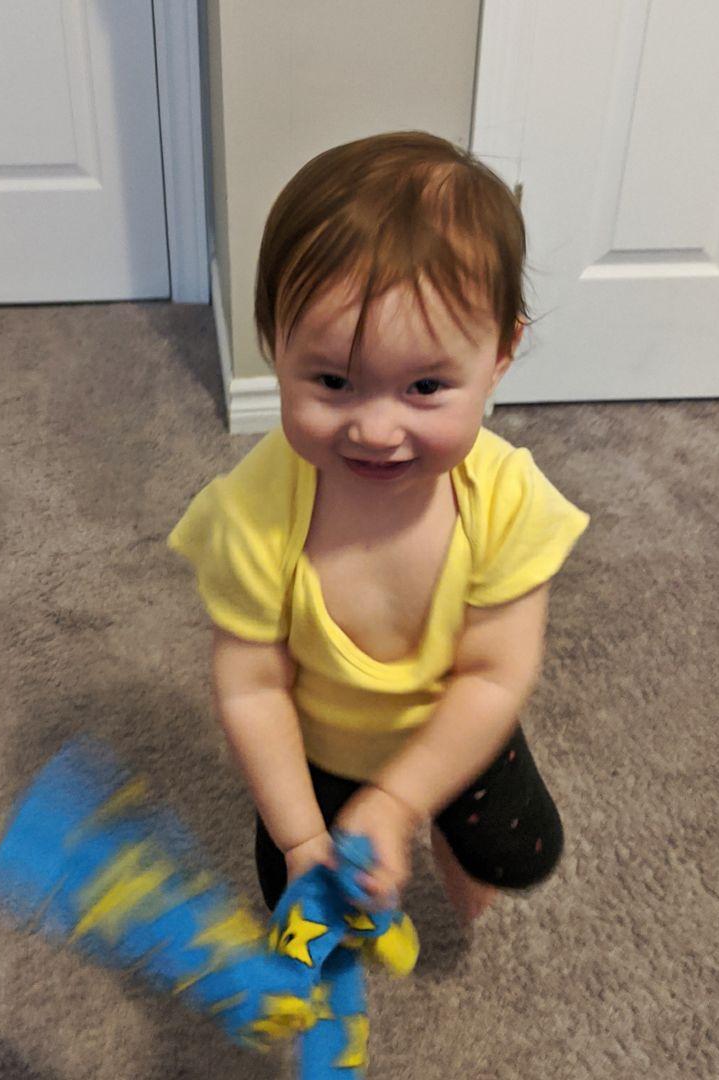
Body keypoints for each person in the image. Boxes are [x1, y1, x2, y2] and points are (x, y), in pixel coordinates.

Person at [167, 131, 589, 923]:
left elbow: (495, 675)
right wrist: (301, 839)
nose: (374, 429)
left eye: (425, 387)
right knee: (303, 902)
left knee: (512, 856)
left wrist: (401, 799)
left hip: (459, 730)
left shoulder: (507, 500)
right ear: (274, 344)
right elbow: (252, 688)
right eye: (333, 381)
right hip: (319, 754)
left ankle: (452, 848)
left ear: (501, 353)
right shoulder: (252, 515)